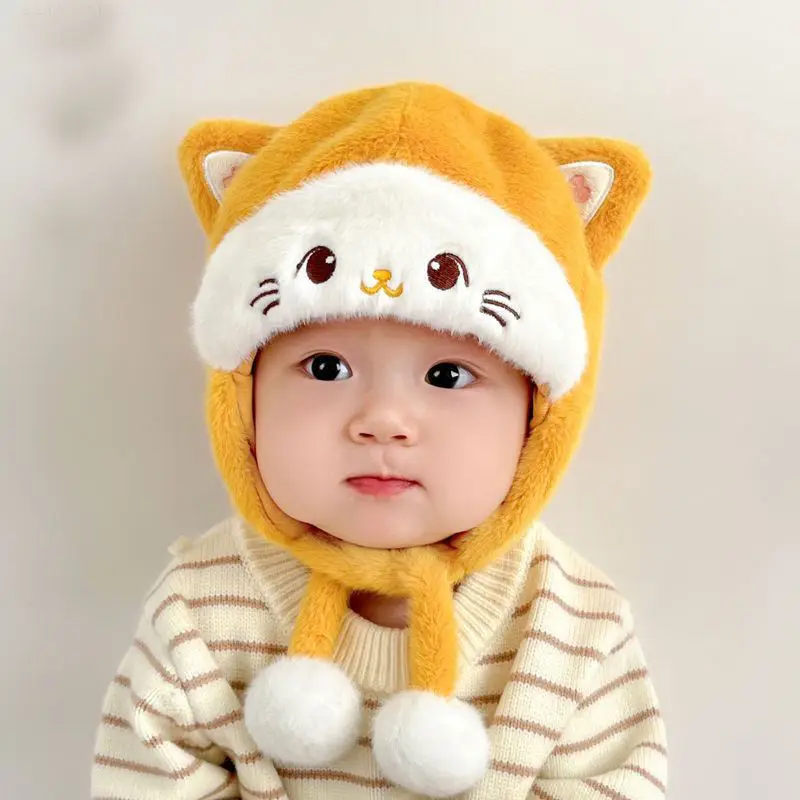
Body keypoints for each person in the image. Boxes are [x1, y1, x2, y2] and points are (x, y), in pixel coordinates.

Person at [91, 81, 668, 800]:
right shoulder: (199, 612)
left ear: (540, 419)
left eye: (448, 374)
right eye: (325, 368)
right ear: (240, 397)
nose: (383, 420)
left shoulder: (576, 629)